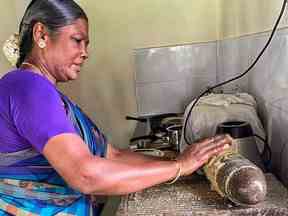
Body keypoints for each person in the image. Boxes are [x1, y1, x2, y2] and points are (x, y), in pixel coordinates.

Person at [0, 0, 232, 215]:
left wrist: (181, 164)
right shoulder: (27, 87)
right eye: (77, 40)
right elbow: (85, 174)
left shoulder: (49, 96)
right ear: (41, 34)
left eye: (86, 44)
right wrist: (180, 166)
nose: (85, 53)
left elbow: (113, 155)